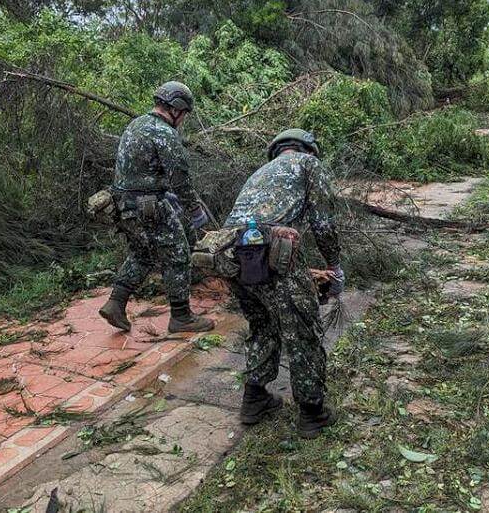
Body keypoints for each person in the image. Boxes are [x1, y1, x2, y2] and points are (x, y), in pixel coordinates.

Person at [224, 128, 344, 438]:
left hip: (232, 256)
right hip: (274, 253)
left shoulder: (261, 172)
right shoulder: (308, 164)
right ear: (308, 149)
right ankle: (312, 413)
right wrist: (334, 266)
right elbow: (323, 222)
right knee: (302, 331)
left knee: (263, 324)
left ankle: (254, 399)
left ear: (278, 150)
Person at [99, 82, 214, 333]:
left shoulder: (136, 124)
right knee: (178, 254)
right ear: (177, 109)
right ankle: (181, 317)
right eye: (184, 114)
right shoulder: (164, 132)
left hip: (123, 205)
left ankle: (115, 303)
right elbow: (180, 177)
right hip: (149, 205)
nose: (183, 119)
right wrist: (194, 210)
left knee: (143, 253)